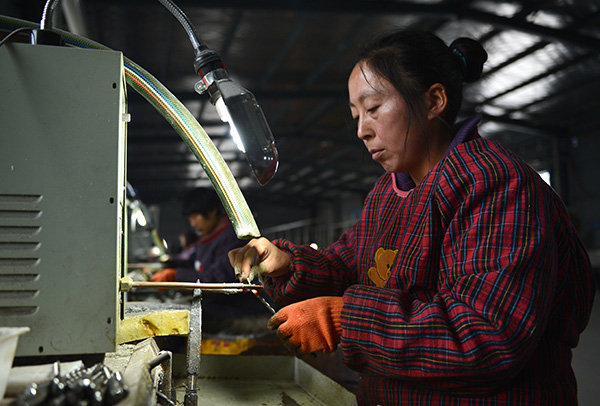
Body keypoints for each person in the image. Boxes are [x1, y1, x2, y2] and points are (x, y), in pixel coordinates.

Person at [228, 29, 596, 404]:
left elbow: (486, 336)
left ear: (434, 100)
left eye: (373, 108)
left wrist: (344, 318)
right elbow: (348, 264)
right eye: (356, 115)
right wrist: (287, 264)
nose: (362, 130)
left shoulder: (492, 183)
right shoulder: (388, 193)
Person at [152, 187, 269, 333]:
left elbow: (219, 280)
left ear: (212, 211)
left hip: (238, 311)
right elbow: (195, 262)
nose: (193, 224)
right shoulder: (206, 237)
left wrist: (175, 275)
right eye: (190, 218)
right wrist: (167, 265)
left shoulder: (234, 238)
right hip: (216, 306)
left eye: (195, 216)